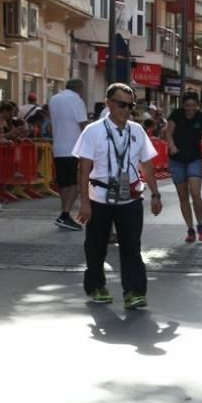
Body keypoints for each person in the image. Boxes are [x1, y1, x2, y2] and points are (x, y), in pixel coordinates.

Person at [74, 83, 163, 309]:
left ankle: (134, 292)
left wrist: (155, 193)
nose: (126, 110)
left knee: (131, 245)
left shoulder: (137, 130)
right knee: (96, 245)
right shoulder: (93, 131)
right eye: (121, 104)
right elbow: (83, 169)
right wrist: (84, 203)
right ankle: (96, 286)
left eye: (130, 106)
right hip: (99, 197)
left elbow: (146, 164)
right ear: (108, 103)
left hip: (130, 197)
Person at [164, 92, 202, 243]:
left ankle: (200, 225)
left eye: (193, 106)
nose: (190, 109)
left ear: (197, 106)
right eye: (187, 106)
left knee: (195, 192)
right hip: (176, 160)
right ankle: (190, 229)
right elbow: (168, 133)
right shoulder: (176, 115)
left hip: (194, 159)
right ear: (183, 105)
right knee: (183, 197)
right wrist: (171, 145)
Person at [48, 79, 90, 231]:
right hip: (74, 147)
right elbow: (83, 124)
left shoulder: (54, 99)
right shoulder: (76, 99)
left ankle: (64, 215)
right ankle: (65, 215)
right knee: (76, 184)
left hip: (58, 147)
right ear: (79, 88)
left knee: (65, 184)